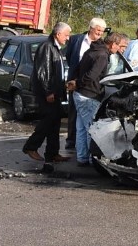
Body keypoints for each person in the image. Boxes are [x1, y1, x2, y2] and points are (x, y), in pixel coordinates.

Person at [22, 22, 73, 171]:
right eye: (66, 35)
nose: (68, 38)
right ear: (58, 34)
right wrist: (48, 92)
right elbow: (42, 72)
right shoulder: (47, 47)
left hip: (55, 92)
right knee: (48, 120)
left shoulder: (55, 47)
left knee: (55, 123)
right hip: (47, 93)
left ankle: (52, 153)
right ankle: (31, 146)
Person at [72, 32, 128, 166]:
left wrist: (75, 83)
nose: (121, 50)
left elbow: (78, 68)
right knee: (92, 129)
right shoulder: (102, 55)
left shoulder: (93, 50)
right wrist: (78, 83)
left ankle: (82, 158)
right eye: (121, 46)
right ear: (113, 44)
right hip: (89, 95)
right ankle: (94, 160)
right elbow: (92, 76)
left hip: (80, 94)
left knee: (81, 128)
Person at [64, 17, 107, 149]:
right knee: (74, 114)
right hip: (76, 83)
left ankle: (82, 152)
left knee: (82, 123)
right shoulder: (76, 40)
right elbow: (69, 56)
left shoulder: (100, 47)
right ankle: (71, 141)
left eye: (102, 31)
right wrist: (74, 79)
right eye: (98, 30)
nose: (100, 33)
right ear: (91, 28)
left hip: (88, 86)